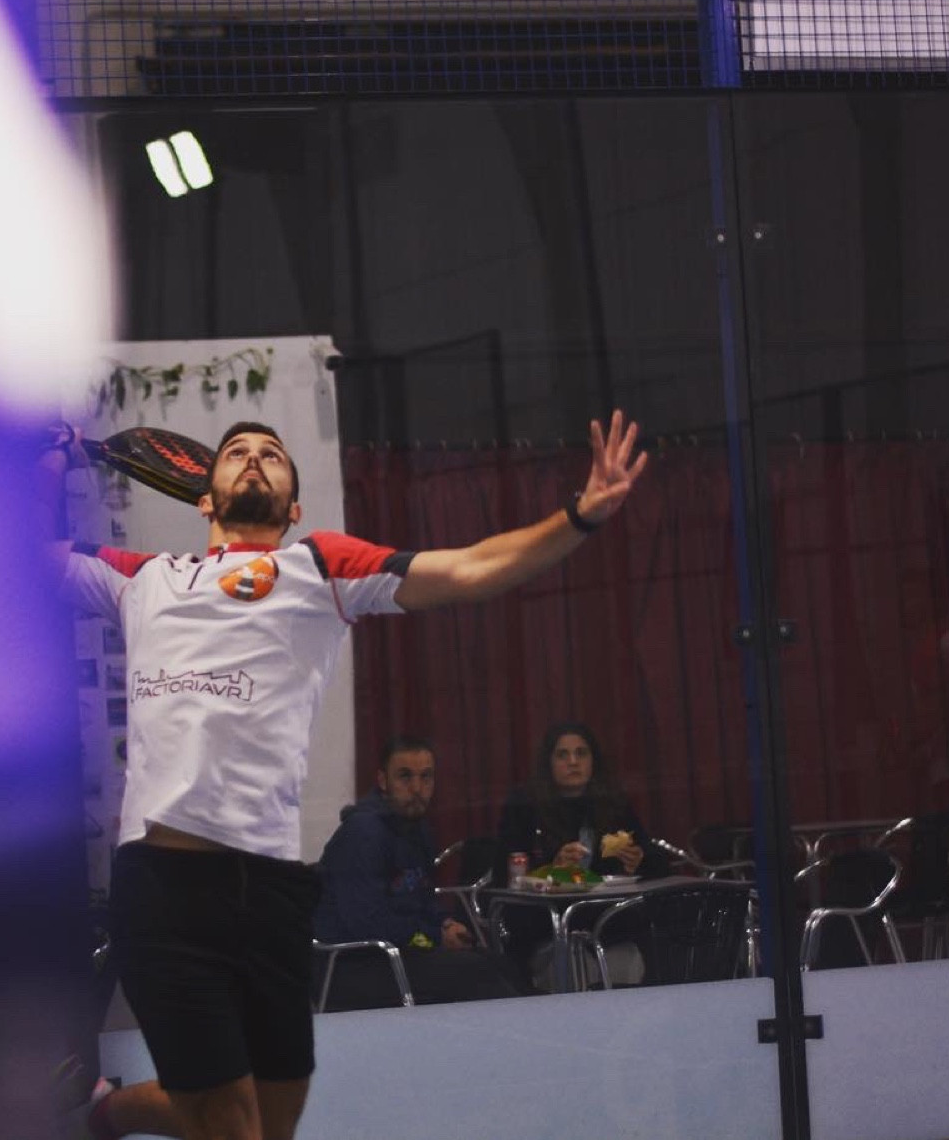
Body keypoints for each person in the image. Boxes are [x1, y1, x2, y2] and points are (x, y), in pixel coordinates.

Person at [50, 412, 647, 1140]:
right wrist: (43, 468)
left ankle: (99, 1114)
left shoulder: (321, 568)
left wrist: (580, 516)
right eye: (236, 452)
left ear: (294, 508)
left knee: (268, 1125)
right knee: (230, 1124)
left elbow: (469, 569)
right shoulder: (142, 579)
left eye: (272, 455)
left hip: (270, 889)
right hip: (165, 887)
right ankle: (99, 1117)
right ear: (204, 498)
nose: (254, 459)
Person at [312, 736, 524, 1010]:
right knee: (474, 973)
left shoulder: (417, 829)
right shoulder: (363, 834)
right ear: (383, 781)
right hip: (351, 964)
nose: (417, 788)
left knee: (500, 964)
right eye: (405, 776)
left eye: (426, 777)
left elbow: (421, 898)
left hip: (397, 954)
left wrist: (444, 923)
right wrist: (433, 936)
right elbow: (365, 923)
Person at [493, 721, 670, 989]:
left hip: (606, 919)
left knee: (646, 943)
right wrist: (551, 869)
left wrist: (638, 859)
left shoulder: (612, 802)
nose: (573, 762)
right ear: (549, 763)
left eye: (581, 753)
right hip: (546, 923)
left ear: (593, 760)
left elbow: (656, 863)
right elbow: (507, 874)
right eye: (563, 755)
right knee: (579, 964)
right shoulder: (525, 806)